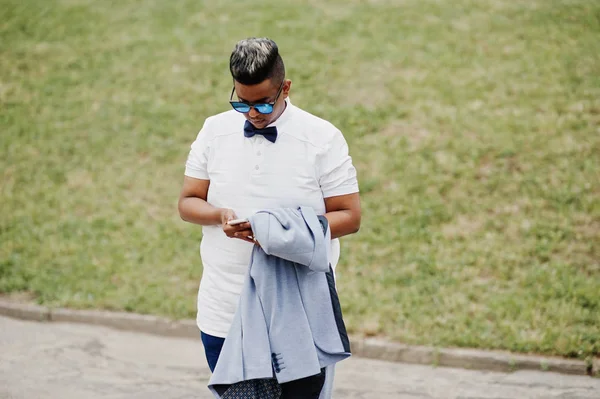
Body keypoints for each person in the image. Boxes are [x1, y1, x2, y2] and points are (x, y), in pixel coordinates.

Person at [178, 37, 361, 395]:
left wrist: (277, 233)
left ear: (286, 88)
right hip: (224, 311)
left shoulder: (322, 138)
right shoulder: (213, 131)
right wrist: (218, 216)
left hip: (299, 313)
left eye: (263, 102)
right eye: (241, 103)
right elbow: (188, 202)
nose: (252, 114)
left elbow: (350, 216)